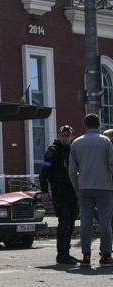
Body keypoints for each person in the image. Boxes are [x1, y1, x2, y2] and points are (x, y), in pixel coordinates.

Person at [68, 113, 113, 267]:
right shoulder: (106, 141)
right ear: (99, 124)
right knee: (105, 222)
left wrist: (77, 187)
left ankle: (86, 255)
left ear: (84, 125)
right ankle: (106, 255)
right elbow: (111, 165)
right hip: (105, 187)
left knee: (86, 222)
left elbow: (72, 171)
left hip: (84, 187)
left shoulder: (76, 143)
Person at [40, 125, 78, 265]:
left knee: (72, 221)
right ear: (59, 135)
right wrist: (44, 191)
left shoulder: (73, 150)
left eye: (68, 135)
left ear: (72, 136)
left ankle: (65, 253)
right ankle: (61, 255)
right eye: (63, 135)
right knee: (64, 222)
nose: (65, 137)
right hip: (60, 191)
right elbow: (44, 172)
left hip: (72, 190)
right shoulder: (53, 151)